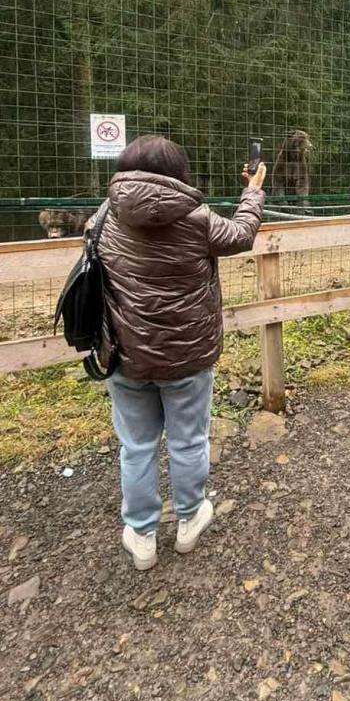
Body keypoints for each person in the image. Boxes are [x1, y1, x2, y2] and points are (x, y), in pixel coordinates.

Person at [95, 135, 266, 570]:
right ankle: (190, 520)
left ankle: (142, 534)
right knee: (189, 441)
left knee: (136, 445)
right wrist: (253, 190)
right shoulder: (198, 219)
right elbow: (243, 234)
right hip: (188, 356)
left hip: (126, 355)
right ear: (179, 172)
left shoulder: (104, 217)